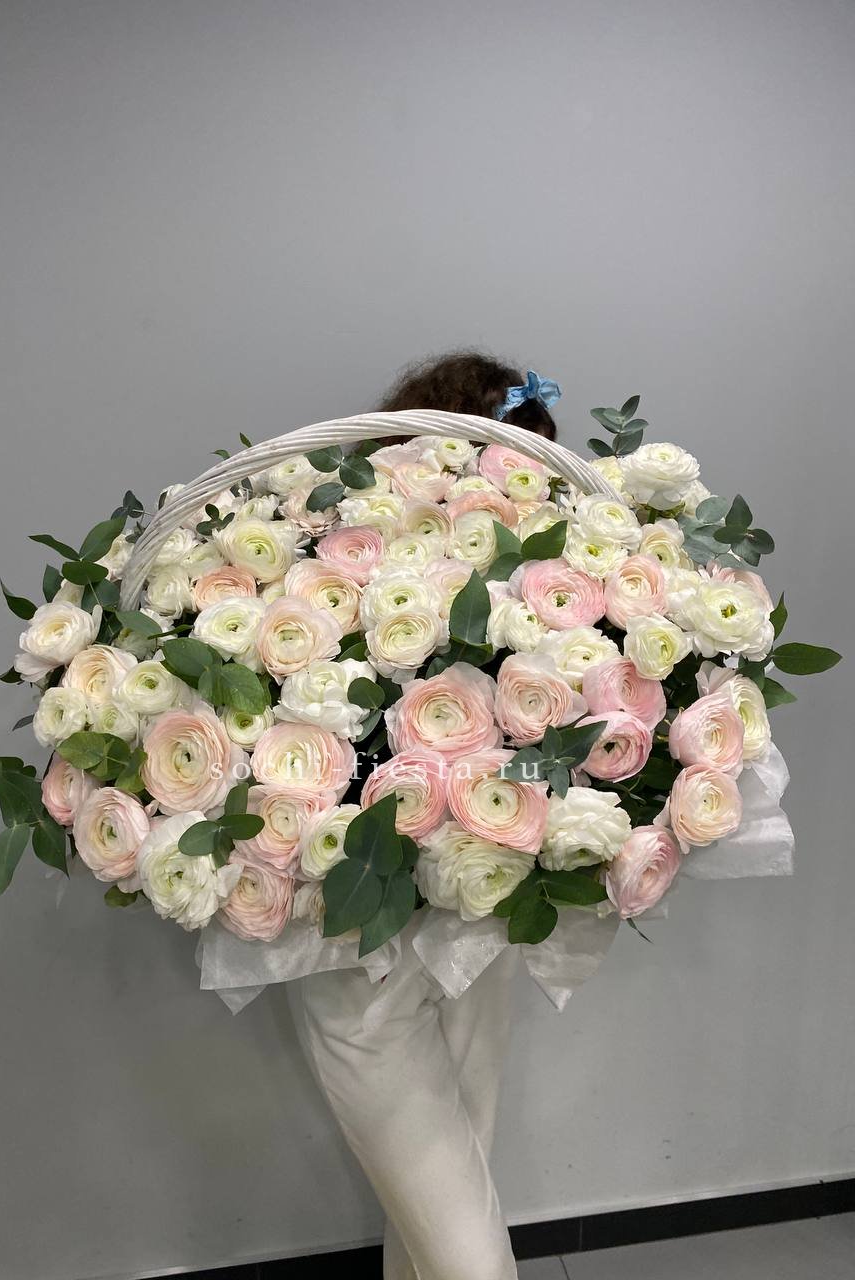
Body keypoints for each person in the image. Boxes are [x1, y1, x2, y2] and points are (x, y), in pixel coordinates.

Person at [285, 350, 560, 1280]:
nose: (513, 490)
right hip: (352, 937)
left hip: (474, 906)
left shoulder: (539, 578)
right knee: (457, 1230)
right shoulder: (331, 552)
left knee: (450, 1193)